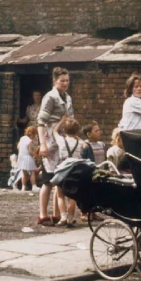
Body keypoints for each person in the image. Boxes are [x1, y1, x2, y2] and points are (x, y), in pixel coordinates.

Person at [37, 67, 74, 226]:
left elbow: (71, 120)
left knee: (60, 178)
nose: (65, 83)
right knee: (47, 179)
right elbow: (40, 122)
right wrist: (42, 144)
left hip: (62, 139)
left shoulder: (68, 98)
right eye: (62, 81)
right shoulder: (50, 97)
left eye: (67, 80)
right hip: (50, 137)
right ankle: (42, 214)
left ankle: (56, 214)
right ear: (54, 81)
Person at [54, 118, 83, 227]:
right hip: (74, 171)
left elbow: (54, 131)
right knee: (72, 197)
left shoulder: (61, 140)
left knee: (60, 195)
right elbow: (84, 144)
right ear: (77, 131)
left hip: (62, 169)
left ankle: (63, 217)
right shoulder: (79, 142)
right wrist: (76, 136)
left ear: (64, 130)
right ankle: (70, 219)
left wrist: (62, 120)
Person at [16, 126, 39, 191]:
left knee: (24, 172)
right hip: (28, 157)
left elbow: (18, 147)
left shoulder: (22, 138)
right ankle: (34, 186)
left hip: (21, 157)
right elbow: (30, 151)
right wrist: (34, 155)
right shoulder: (30, 141)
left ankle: (23, 187)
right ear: (33, 134)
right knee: (32, 172)